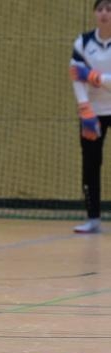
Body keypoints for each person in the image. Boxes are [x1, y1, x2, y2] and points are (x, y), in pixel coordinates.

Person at [69, 0, 111, 233]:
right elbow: (76, 75)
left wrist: (94, 77)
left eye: (109, 9)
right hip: (93, 115)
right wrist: (85, 108)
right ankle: (93, 218)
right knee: (91, 165)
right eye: (101, 9)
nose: (105, 14)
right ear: (95, 13)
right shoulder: (83, 42)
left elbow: (88, 76)